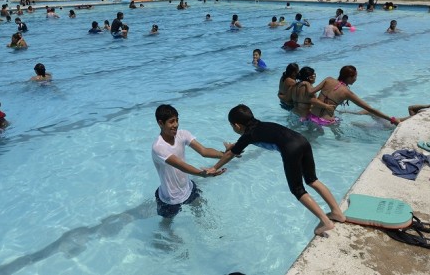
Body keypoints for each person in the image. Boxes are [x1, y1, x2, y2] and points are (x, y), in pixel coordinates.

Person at [204, 104, 346, 236]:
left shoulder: (248, 135)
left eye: (231, 126)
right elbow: (243, 143)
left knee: (297, 190)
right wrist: (233, 146)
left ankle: (325, 221)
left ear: (236, 125)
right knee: (312, 180)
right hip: (302, 141)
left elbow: (231, 154)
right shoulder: (260, 125)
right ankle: (337, 212)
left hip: (291, 149)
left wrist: (214, 167)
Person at [151, 104, 226, 218]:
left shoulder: (182, 134)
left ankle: (212, 234)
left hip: (188, 188)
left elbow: (204, 151)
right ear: (160, 123)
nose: (176, 125)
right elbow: (181, 165)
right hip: (169, 199)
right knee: (166, 225)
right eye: (171, 121)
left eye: (177, 120)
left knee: (202, 212)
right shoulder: (158, 147)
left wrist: (226, 154)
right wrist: (203, 174)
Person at [309, 65, 400, 126]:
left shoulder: (328, 79)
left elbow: (310, 93)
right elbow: (370, 109)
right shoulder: (346, 92)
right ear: (349, 77)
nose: (356, 79)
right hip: (327, 122)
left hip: (311, 116)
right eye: (355, 77)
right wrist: (391, 119)